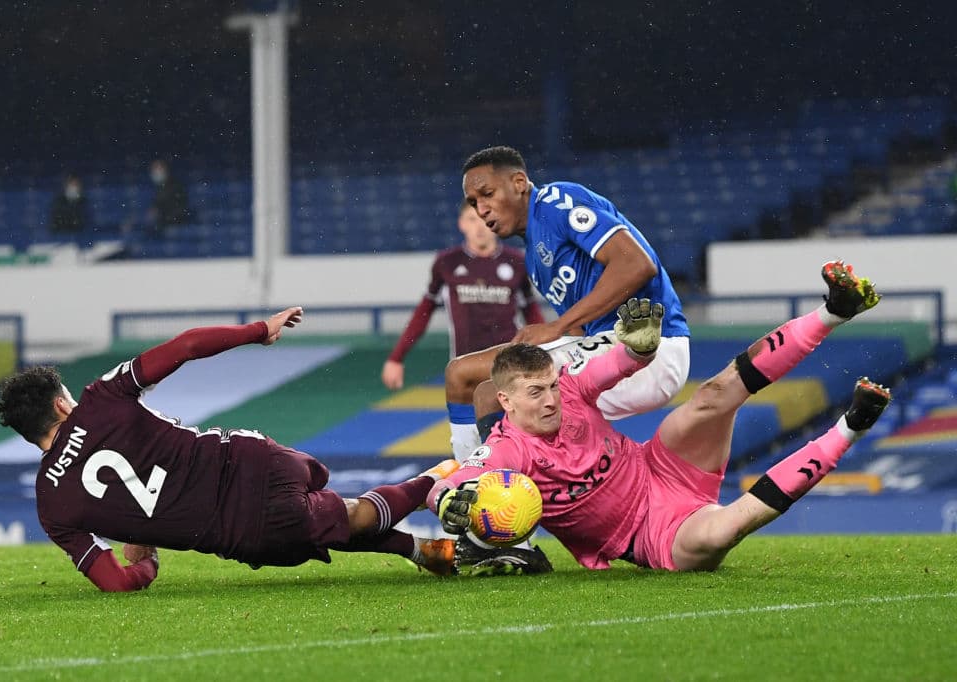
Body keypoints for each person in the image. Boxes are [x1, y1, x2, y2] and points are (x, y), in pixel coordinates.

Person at [430, 260, 891, 573]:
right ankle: (851, 427)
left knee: (714, 395)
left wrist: (639, 348)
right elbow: (456, 480)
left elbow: (616, 365)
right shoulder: (507, 449)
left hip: (660, 466)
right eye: (536, 392)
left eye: (550, 385)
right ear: (507, 401)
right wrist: (447, 501)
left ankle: (834, 311)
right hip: (650, 534)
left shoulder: (569, 387)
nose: (551, 399)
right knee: (722, 531)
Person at [0, 306, 464, 592]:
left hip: (238, 536)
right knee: (338, 516)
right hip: (251, 463)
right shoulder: (101, 397)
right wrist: (260, 330)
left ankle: (432, 503)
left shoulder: (51, 505)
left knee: (324, 521)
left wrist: (147, 559)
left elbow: (115, 580)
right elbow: (188, 345)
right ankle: (432, 501)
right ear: (61, 404)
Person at [444, 145, 691, 462]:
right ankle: (478, 471)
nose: (482, 209)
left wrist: (556, 328)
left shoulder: (556, 201)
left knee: (495, 394)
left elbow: (636, 264)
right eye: (474, 203)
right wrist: (548, 339)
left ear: (519, 182)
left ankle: (487, 477)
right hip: (605, 345)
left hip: (649, 346)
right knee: (464, 376)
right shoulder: (533, 259)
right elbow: (580, 331)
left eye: (487, 194)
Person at [381, 202, 545, 391]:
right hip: (464, 368)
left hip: (509, 366)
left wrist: (547, 352)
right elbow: (423, 313)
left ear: (496, 222)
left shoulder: (516, 261)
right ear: (462, 223)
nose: (479, 227)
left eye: (485, 219)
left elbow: (532, 313)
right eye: (472, 219)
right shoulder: (447, 263)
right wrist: (396, 358)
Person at [147, 158, 192, 231]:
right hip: (163, 224)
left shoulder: (176, 186)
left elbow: (180, 210)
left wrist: (160, 214)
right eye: (154, 169)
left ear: (166, 170)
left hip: (175, 225)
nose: (156, 172)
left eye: (159, 169)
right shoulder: (156, 188)